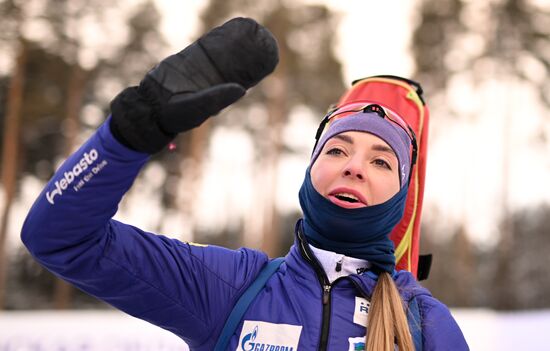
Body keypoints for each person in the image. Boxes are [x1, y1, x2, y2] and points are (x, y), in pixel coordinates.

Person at [21, 17, 469, 351]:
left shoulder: (425, 323)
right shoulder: (232, 286)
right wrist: (127, 137)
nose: (353, 167)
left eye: (381, 161)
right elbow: (61, 239)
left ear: (402, 195)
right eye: (336, 150)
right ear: (310, 173)